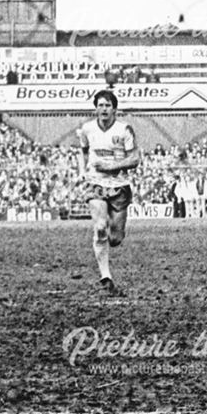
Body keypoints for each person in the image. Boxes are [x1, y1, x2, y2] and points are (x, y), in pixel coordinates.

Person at [76, 90, 140, 297]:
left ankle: (110, 236)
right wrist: (82, 171)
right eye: (100, 105)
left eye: (107, 105)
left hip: (119, 186)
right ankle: (106, 276)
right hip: (95, 183)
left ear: (114, 109)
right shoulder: (87, 129)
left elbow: (135, 159)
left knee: (115, 238)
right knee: (100, 226)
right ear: (96, 108)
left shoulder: (124, 130)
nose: (103, 109)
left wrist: (111, 167)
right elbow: (83, 150)